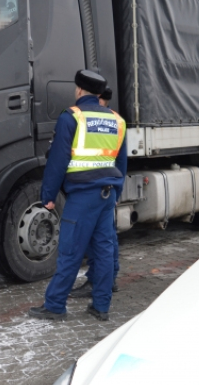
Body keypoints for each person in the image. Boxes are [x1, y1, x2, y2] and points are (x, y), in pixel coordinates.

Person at [28, 71, 127, 321]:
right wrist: (117, 192)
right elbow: (122, 162)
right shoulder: (118, 120)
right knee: (104, 251)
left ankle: (55, 305)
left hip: (82, 196)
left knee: (71, 250)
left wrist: (48, 195)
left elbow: (57, 161)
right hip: (107, 194)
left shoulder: (71, 117)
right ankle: (101, 307)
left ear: (79, 90)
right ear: (98, 93)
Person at [70, 86, 121, 298]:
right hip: (107, 188)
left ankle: (100, 282)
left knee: (100, 240)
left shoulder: (102, 121)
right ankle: (107, 281)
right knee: (107, 239)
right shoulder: (115, 120)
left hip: (96, 189)